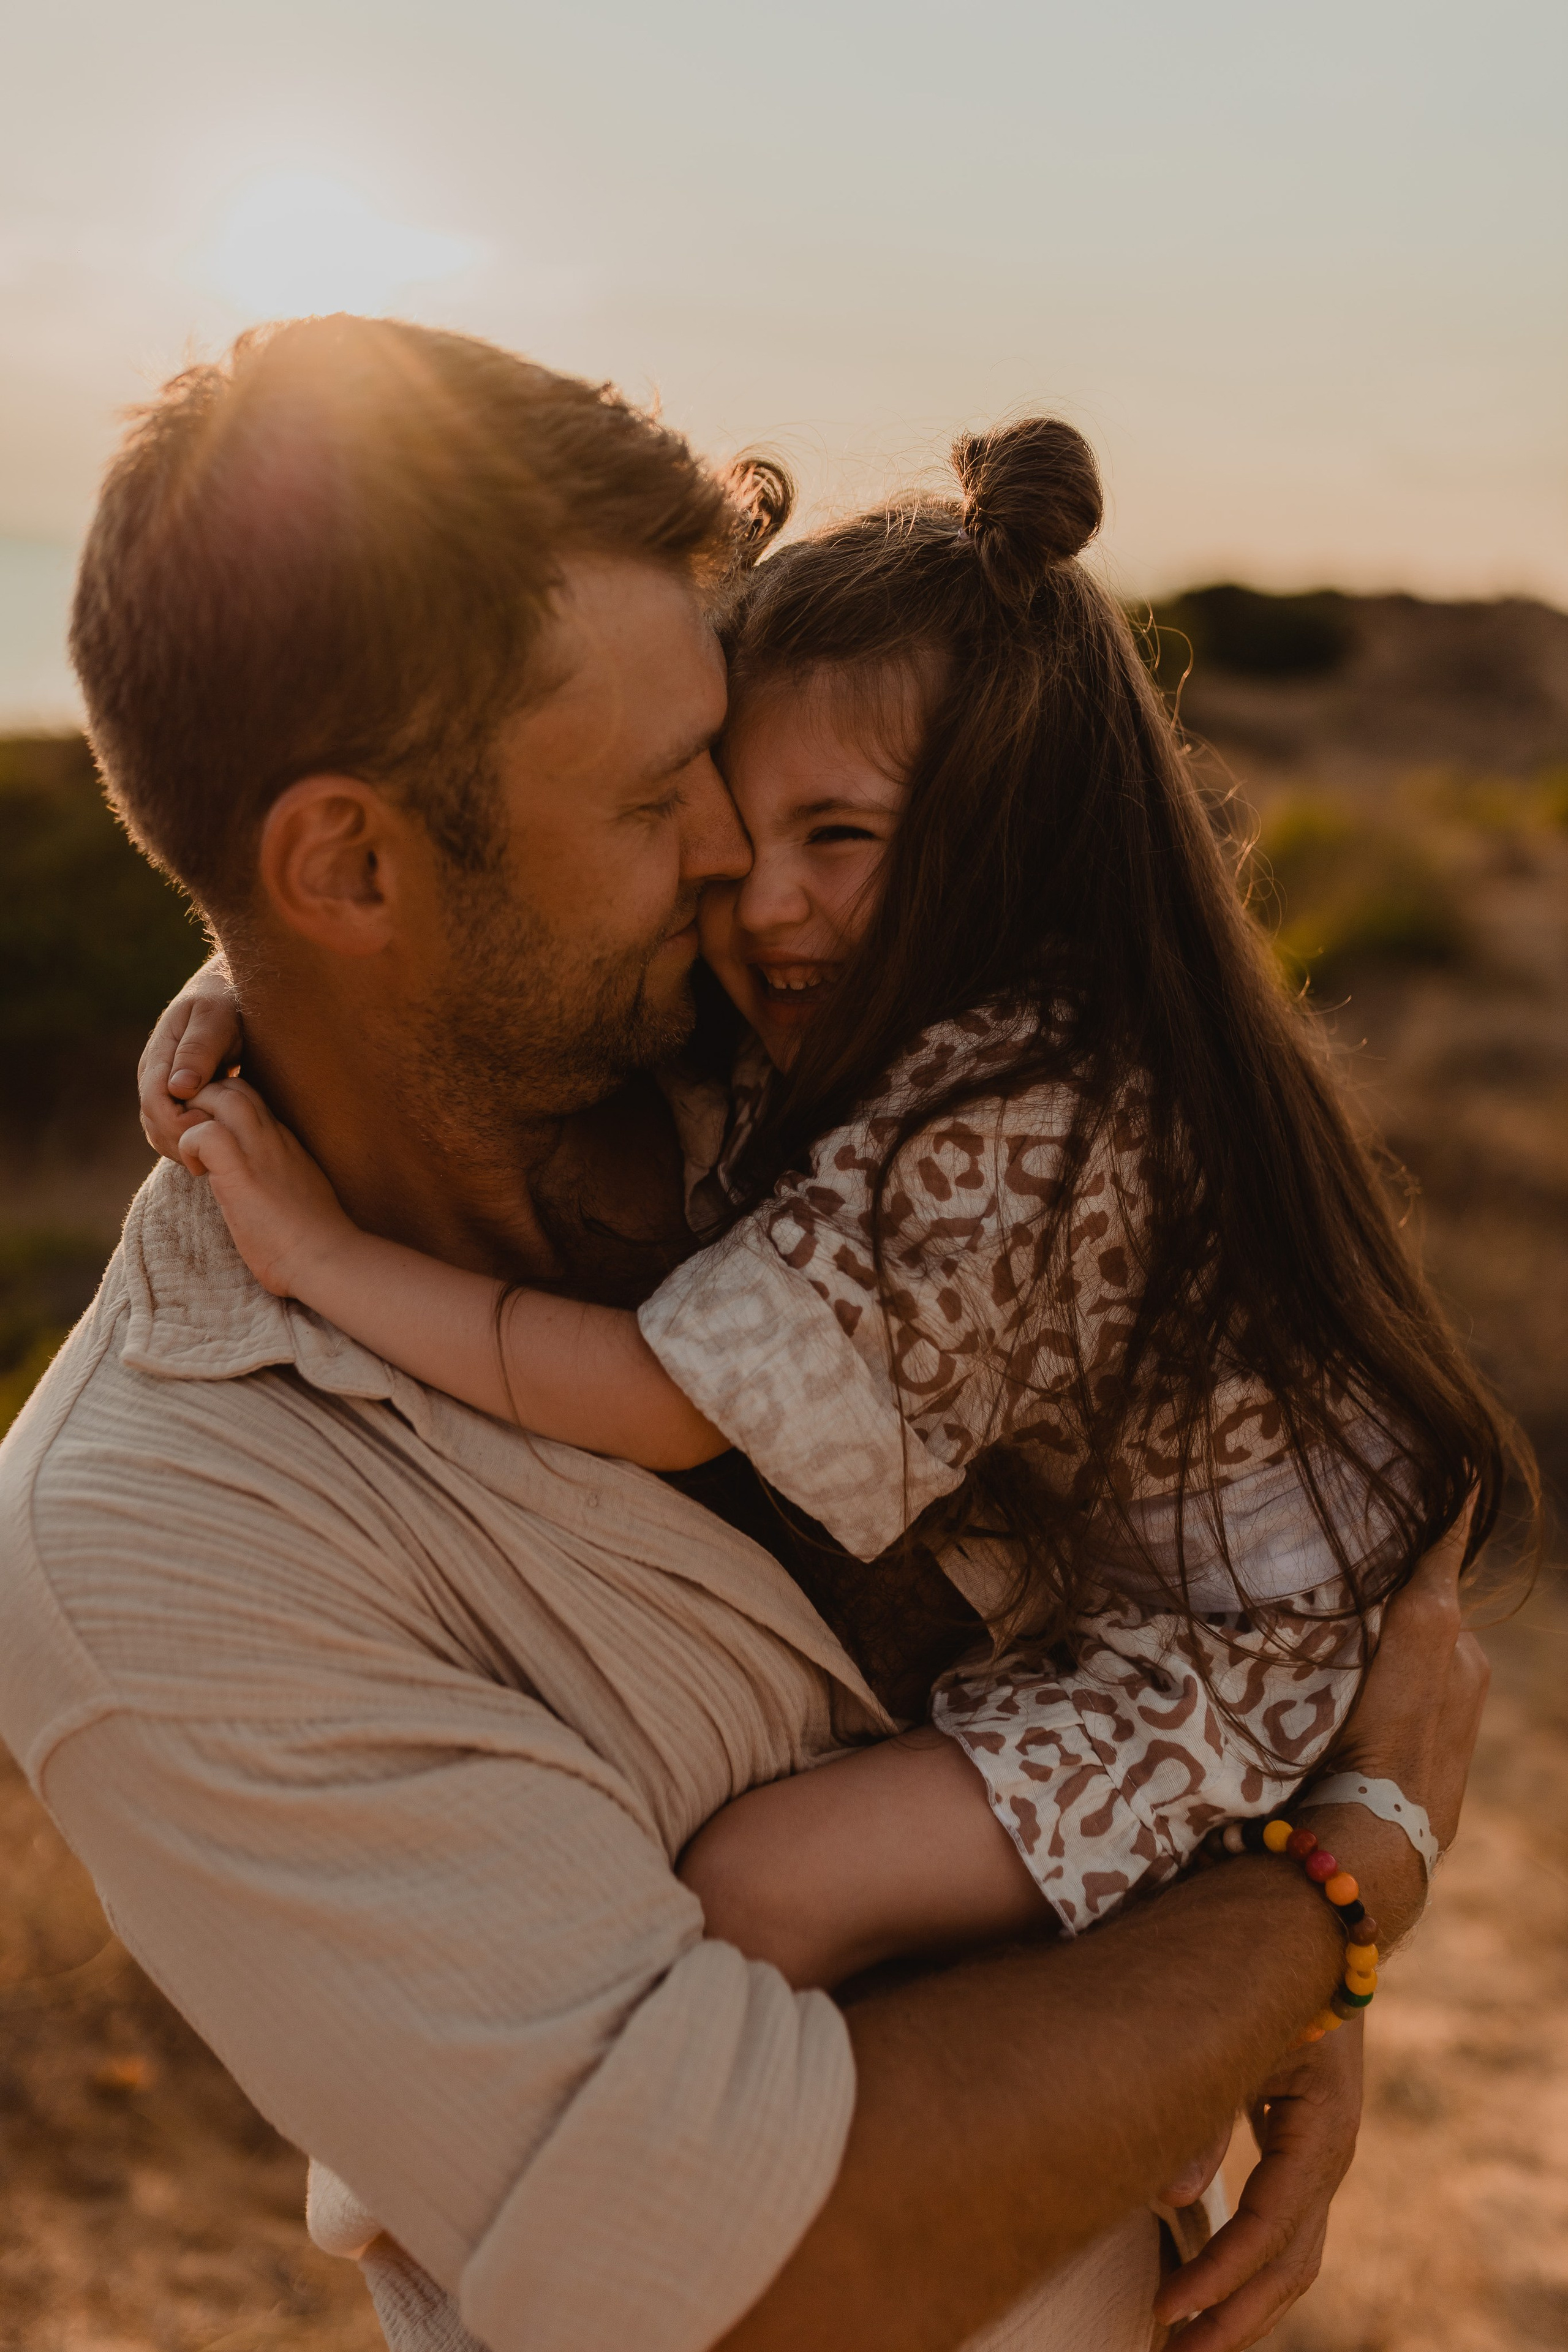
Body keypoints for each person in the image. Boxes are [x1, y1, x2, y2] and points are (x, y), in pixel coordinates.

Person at [0, 315, 1490, 2352]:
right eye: (657, 792)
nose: (731, 859)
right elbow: (750, 2270)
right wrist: (1331, 1898)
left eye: (739, 766)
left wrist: (1251, 1988)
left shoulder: (790, 1063)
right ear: (347, 863)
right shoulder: (154, 1542)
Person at [162, 417, 1513, 1999]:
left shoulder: (1014, 1130)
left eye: (842, 838)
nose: (760, 894)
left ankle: (884, 2149)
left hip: (1220, 1666)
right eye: (730, 829)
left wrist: (316, 1257)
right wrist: (235, 977)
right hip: (1116, 1591)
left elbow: (662, 1404)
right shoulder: (881, 995)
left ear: (1005, 848)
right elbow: (497, 912)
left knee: (758, 1888)